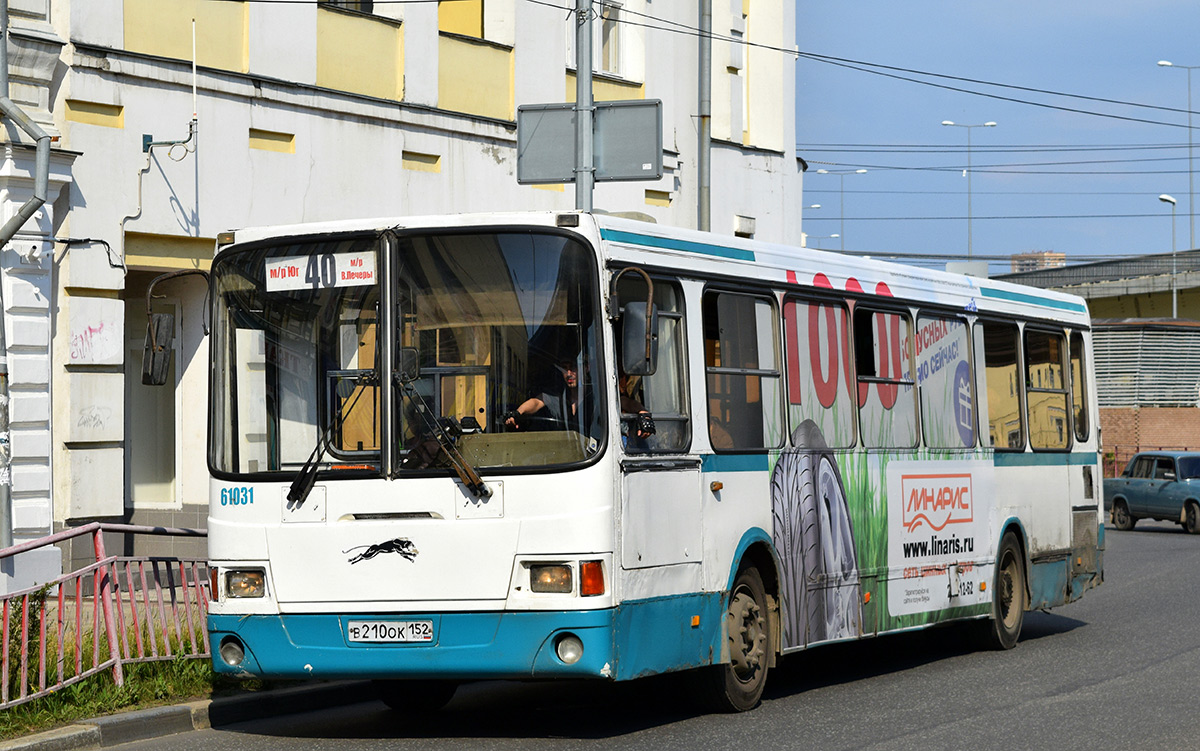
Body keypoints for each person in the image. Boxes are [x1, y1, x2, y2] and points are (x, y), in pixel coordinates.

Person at [505, 359, 586, 430]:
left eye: (572, 368)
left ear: (585, 368)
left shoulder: (594, 398)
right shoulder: (557, 397)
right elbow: (536, 402)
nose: (568, 374)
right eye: (564, 368)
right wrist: (517, 414)